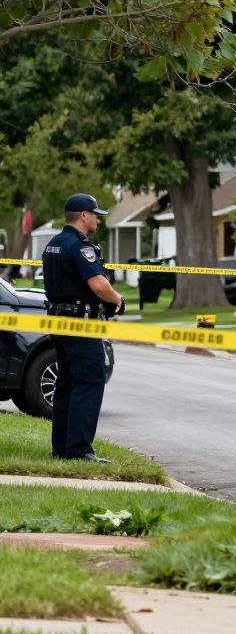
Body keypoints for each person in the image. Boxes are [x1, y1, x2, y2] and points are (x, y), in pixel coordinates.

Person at [42, 194, 125, 463]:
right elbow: (99, 285)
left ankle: (62, 449)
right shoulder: (79, 247)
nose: (98, 219)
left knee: (66, 383)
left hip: (58, 322)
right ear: (83, 216)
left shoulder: (53, 244)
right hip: (80, 324)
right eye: (95, 214)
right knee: (89, 381)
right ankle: (79, 450)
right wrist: (118, 300)